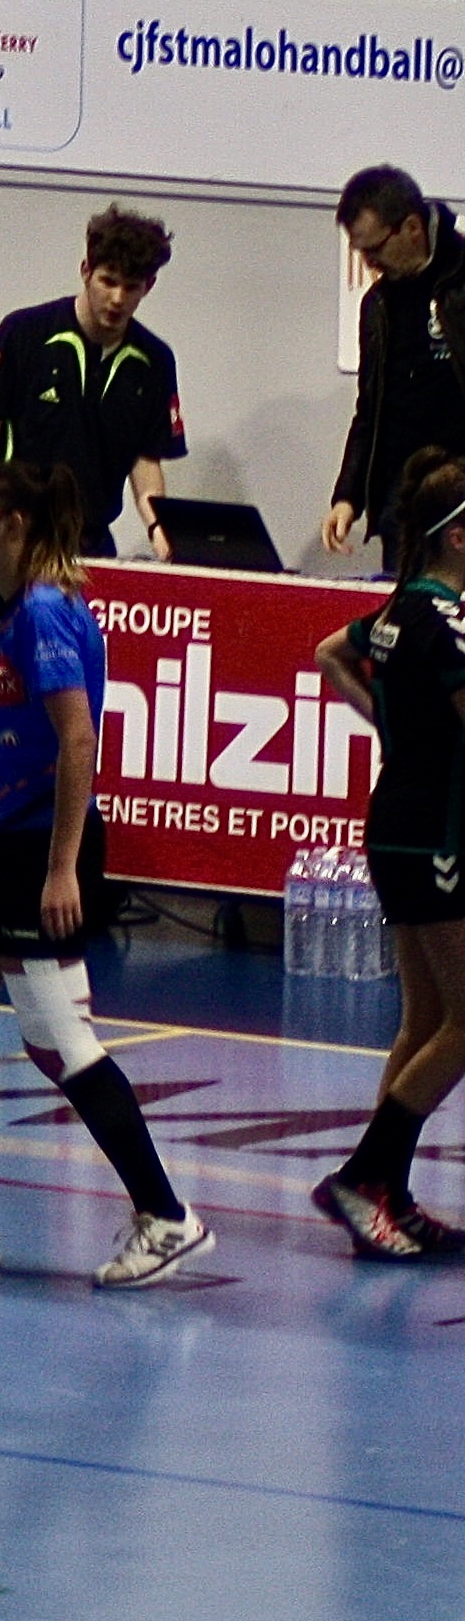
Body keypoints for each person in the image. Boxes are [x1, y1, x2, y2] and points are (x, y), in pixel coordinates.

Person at [0, 460, 209, 1288]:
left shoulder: (50, 613)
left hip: (32, 852)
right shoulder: (13, 611)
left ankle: (167, 1216)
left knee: (57, 1038)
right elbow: (3, 722)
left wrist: (62, 868)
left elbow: (77, 739)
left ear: (15, 526)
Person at [311, 447, 465, 1259]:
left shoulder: (402, 608)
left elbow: (329, 651)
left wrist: (393, 724)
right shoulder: (446, 619)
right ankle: (364, 1177)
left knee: (429, 1018)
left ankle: (387, 1197)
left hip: (399, 824)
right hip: (437, 836)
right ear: (458, 537)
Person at [0, 206, 183, 561]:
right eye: (108, 281)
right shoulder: (23, 332)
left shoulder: (156, 360)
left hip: (90, 541)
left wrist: (159, 529)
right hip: (14, 532)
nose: (117, 299)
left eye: (131, 287)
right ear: (86, 271)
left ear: (149, 286)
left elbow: (145, 461)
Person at [330, 167, 465, 564]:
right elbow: (370, 410)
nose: (369, 263)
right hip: (402, 502)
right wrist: (347, 497)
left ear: (412, 228)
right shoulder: (378, 304)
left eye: (374, 250)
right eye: (361, 253)